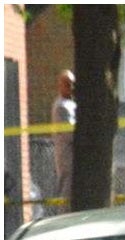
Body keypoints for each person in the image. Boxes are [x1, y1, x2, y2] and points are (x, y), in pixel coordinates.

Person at [50, 69, 76, 209]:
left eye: (72, 84)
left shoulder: (72, 103)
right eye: (67, 84)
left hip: (74, 157)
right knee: (67, 192)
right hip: (67, 157)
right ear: (60, 85)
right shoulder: (61, 107)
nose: (71, 87)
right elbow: (70, 133)